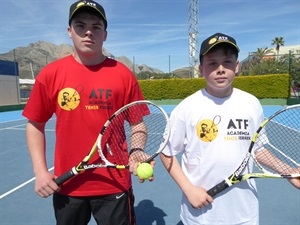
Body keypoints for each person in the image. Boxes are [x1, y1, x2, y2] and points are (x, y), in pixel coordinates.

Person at [22, 1, 153, 225]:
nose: (89, 31)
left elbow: (137, 124)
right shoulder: (51, 74)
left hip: (115, 184)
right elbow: (35, 124)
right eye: (81, 25)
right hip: (68, 185)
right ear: (70, 31)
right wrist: (41, 171)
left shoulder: (123, 75)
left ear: (105, 34)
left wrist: (138, 150)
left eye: (96, 26)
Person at [160, 32, 300, 225]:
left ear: (237, 66)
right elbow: (166, 153)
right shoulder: (186, 108)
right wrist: (189, 190)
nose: (220, 69)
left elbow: (258, 150)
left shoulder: (251, 104)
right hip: (200, 216)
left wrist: (289, 172)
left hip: (244, 214)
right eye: (212, 63)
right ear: (201, 69)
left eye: (227, 62)